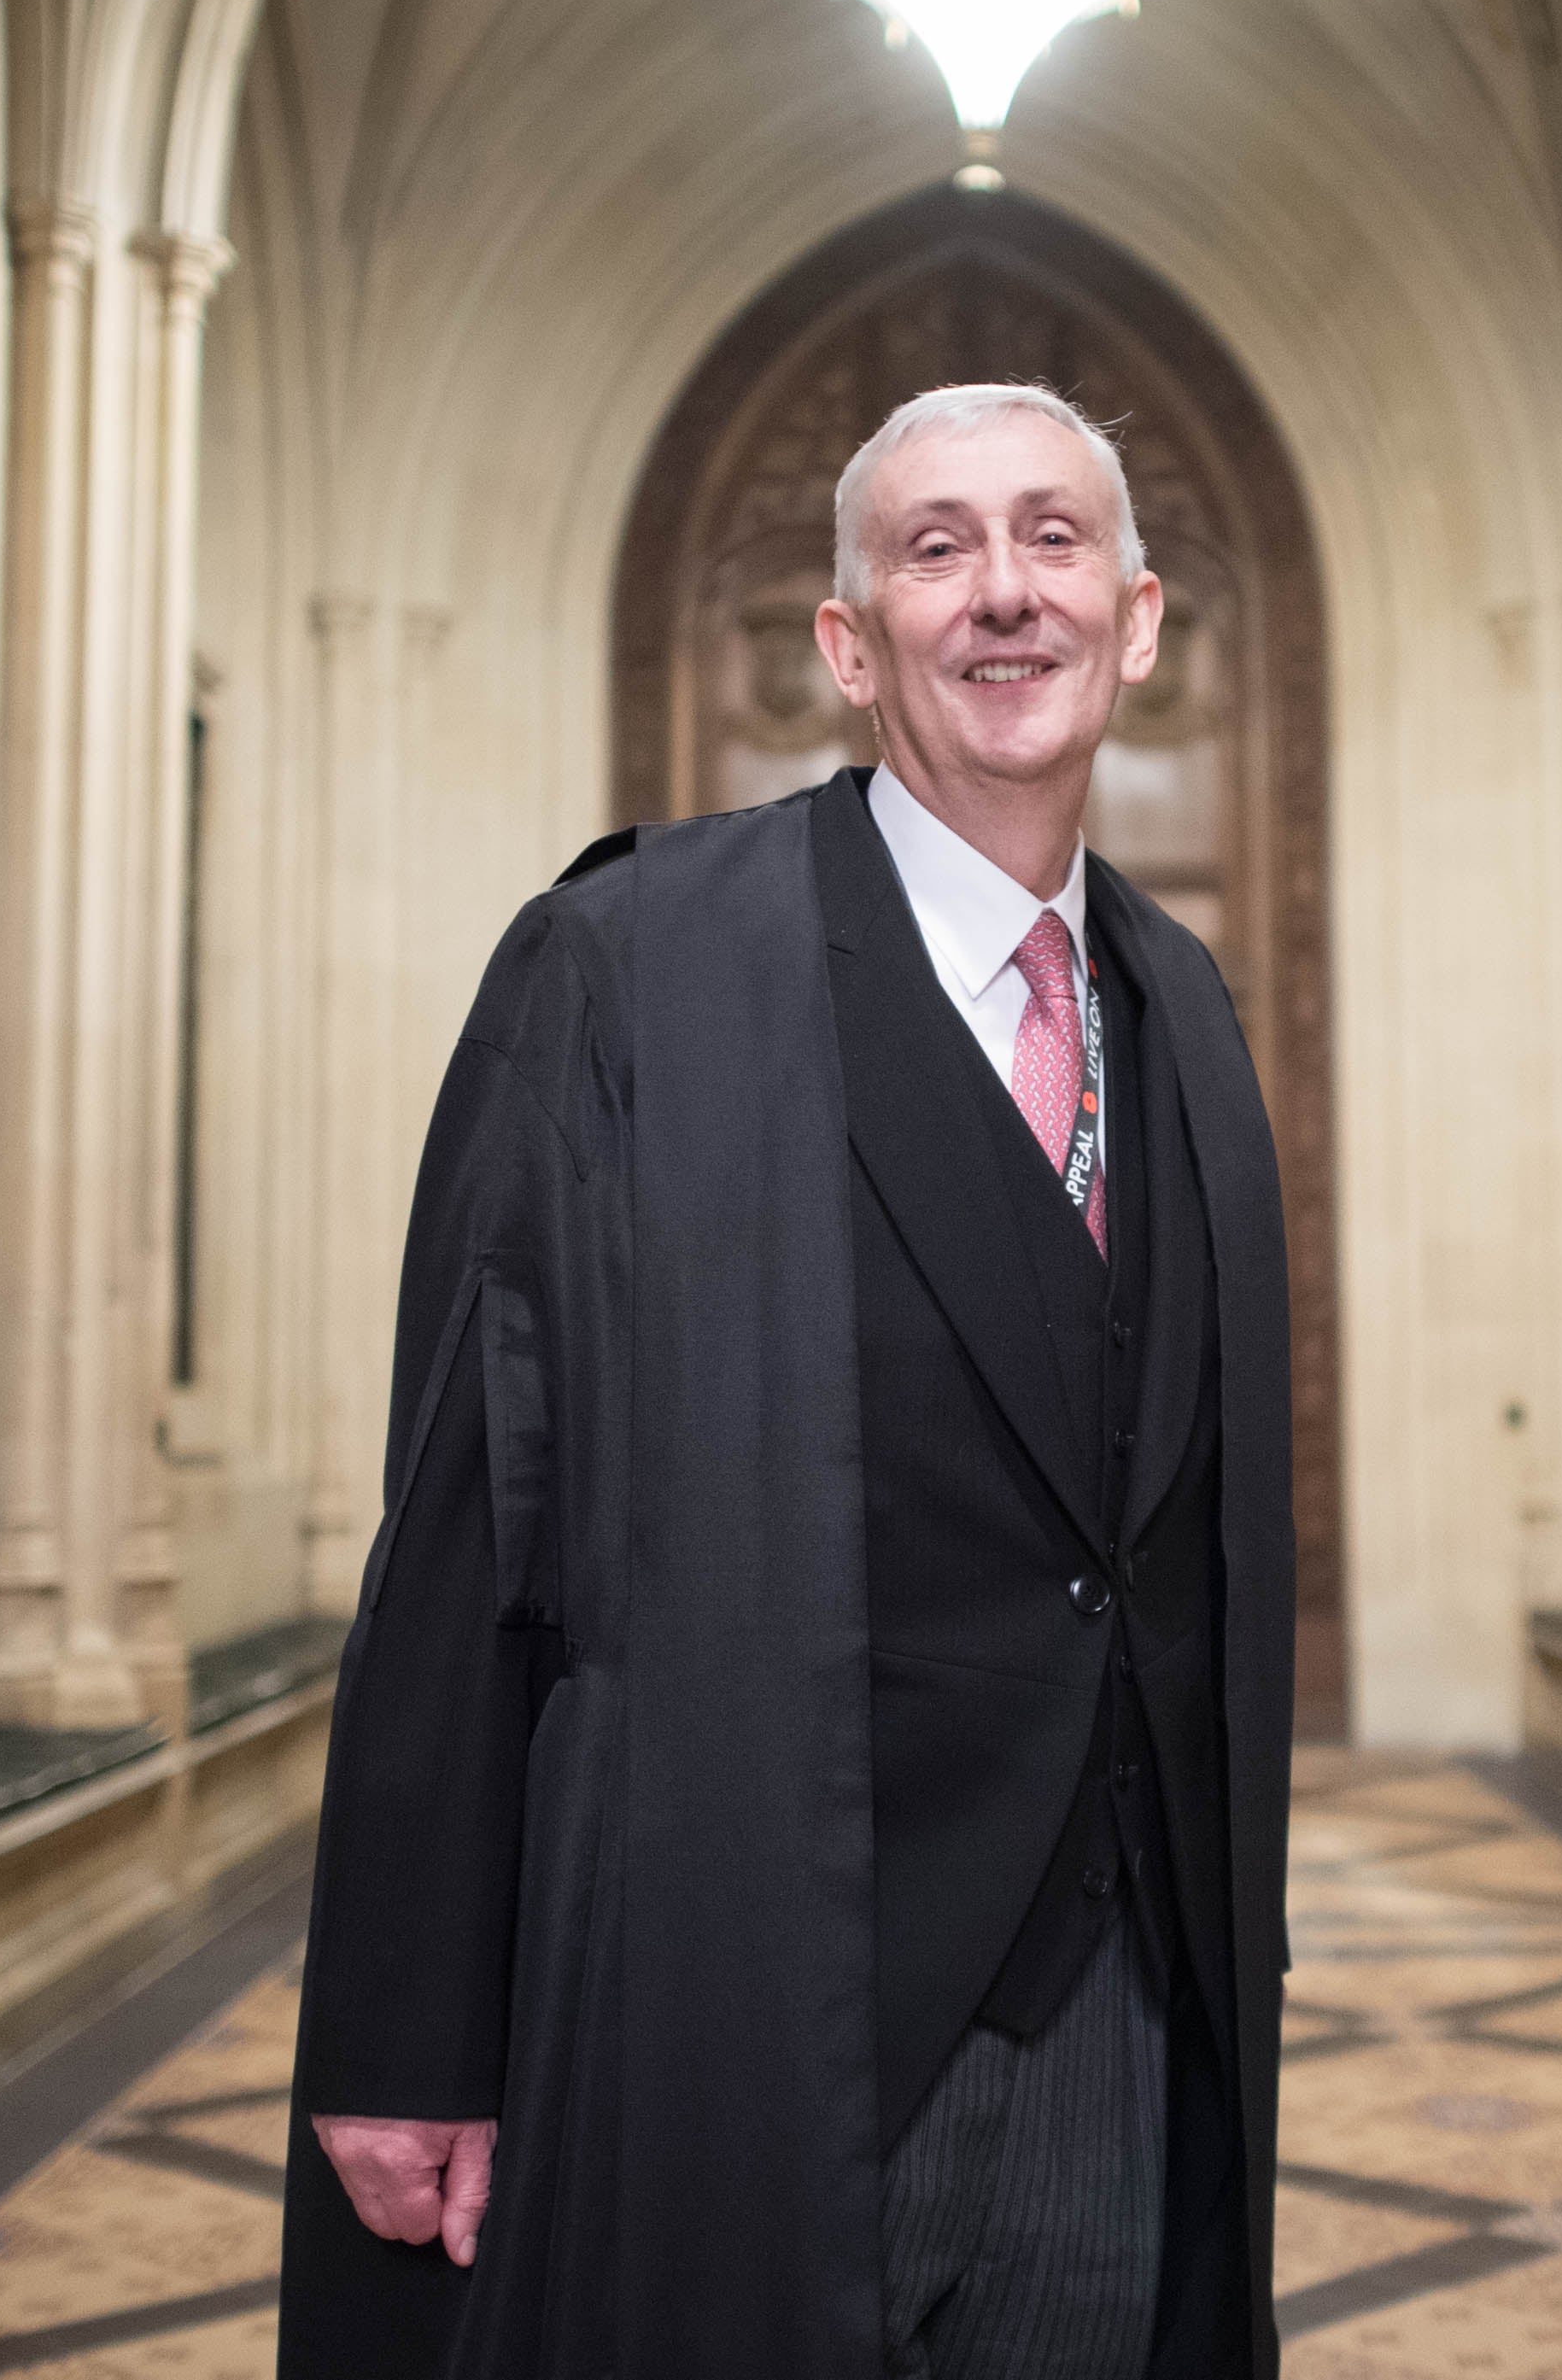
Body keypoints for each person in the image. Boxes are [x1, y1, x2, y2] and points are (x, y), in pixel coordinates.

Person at [278, 383, 1296, 2380]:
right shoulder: (626, 965)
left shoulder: (1185, 1011)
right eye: (935, 550)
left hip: (1115, 2025)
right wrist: (404, 2024)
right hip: (746, 1988)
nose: (1004, 593)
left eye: (1053, 541)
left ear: (1141, 619)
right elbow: (472, 1504)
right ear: (848, 646)